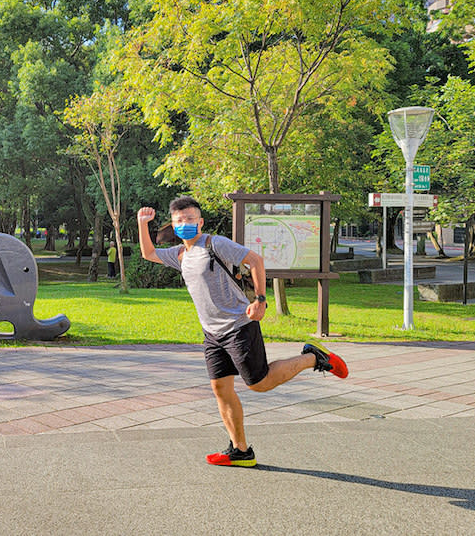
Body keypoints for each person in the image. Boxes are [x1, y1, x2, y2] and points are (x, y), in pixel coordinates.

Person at [137, 196, 348, 468]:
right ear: (174, 225)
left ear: (200, 222)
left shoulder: (216, 244)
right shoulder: (181, 255)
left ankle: (314, 358)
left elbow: (255, 260)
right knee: (221, 389)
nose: (185, 224)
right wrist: (143, 224)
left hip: (239, 326)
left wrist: (260, 300)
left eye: (190, 219)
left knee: (258, 383)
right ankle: (241, 451)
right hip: (212, 334)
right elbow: (149, 253)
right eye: (179, 220)